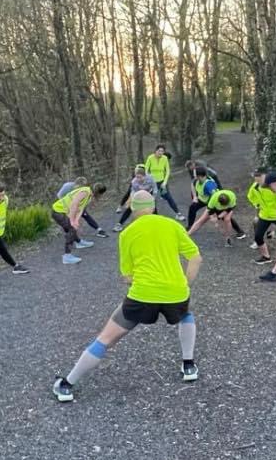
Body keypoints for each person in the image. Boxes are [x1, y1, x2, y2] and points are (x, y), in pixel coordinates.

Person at [52, 190, 202, 402]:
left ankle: (67, 385)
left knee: (105, 339)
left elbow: (127, 276)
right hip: (175, 293)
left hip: (142, 295)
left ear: (132, 208)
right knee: (186, 314)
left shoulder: (127, 233)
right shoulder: (173, 226)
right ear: (153, 206)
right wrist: (184, 284)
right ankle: (189, 366)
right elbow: (195, 258)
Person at [51, 181, 106, 264]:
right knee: (71, 229)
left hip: (62, 211)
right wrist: (72, 220)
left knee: (73, 227)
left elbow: (80, 209)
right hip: (58, 211)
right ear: (99, 193)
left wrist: (76, 221)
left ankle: (79, 243)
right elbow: (74, 204)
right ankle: (67, 256)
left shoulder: (88, 195)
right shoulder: (85, 192)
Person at [247, 167, 276, 264]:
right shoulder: (254, 187)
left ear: (266, 175)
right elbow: (251, 197)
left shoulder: (274, 185)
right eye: (255, 176)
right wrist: (258, 205)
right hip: (264, 216)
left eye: (259, 175)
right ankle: (266, 257)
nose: (257, 178)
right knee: (258, 237)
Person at [145, 144, 185, 221]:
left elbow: (167, 171)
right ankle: (154, 216)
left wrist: (164, 182)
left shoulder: (165, 158)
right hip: (152, 182)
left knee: (168, 197)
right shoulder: (150, 158)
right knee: (152, 200)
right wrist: (148, 180)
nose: (160, 153)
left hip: (162, 182)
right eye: (159, 151)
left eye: (162, 151)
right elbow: (146, 170)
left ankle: (178, 214)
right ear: (155, 151)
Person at [113, 165, 157, 231]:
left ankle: (157, 221)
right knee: (130, 207)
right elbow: (133, 193)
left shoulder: (150, 178)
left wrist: (153, 198)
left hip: (149, 193)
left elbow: (155, 189)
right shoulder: (134, 182)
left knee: (153, 207)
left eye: (140, 177)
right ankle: (119, 224)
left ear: (144, 176)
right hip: (138, 194)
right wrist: (132, 201)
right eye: (137, 177)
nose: (138, 179)